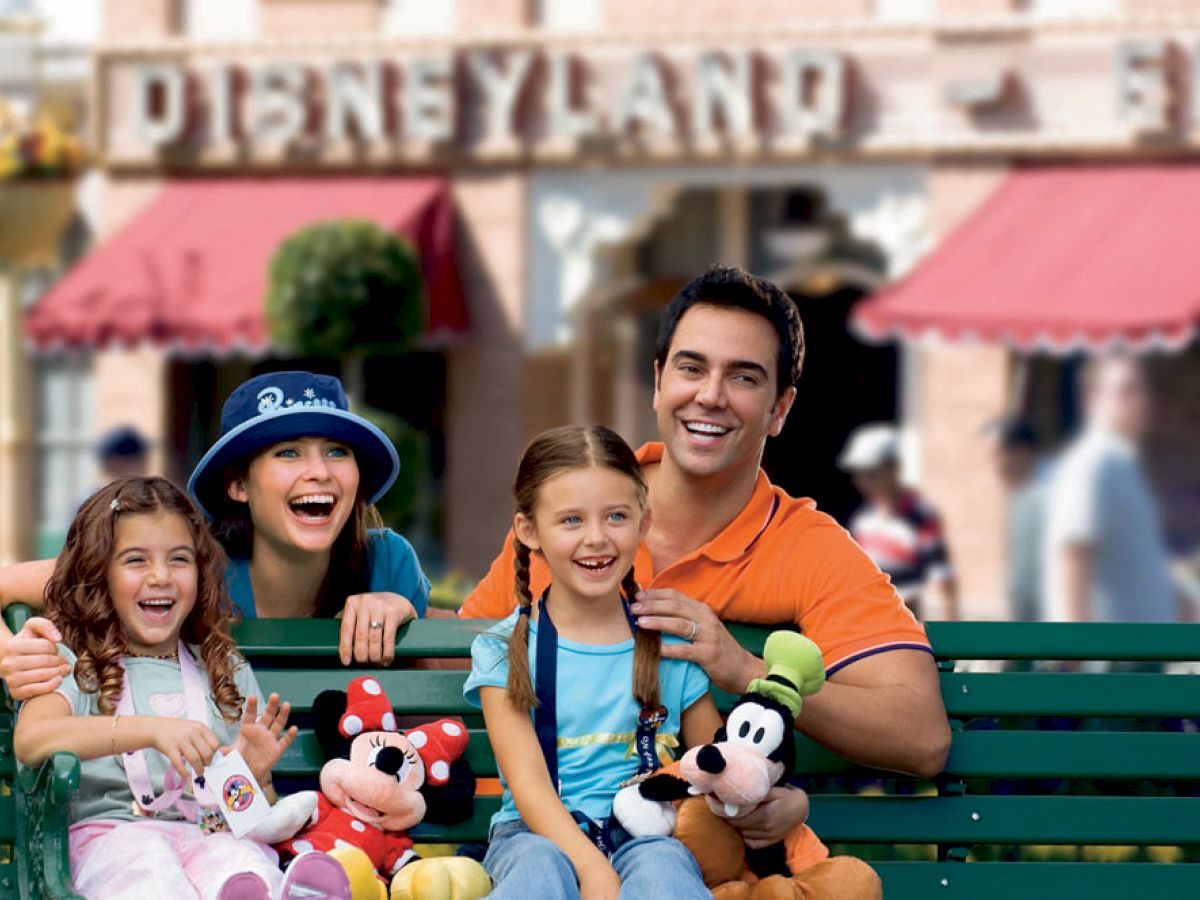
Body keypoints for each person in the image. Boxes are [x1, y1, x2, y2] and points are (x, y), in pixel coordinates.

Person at [461, 266, 950, 854]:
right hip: (536, 850)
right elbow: (460, 655)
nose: (710, 395)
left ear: (780, 408)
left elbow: (922, 736)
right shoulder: (577, 506)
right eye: (692, 368)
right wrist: (388, 603)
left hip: (682, 853)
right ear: (659, 380)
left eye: (743, 377)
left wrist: (744, 670)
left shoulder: (809, 547)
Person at [12, 475, 351, 900]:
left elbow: (240, 816)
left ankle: (275, 892)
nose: (161, 577)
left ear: (201, 569)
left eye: (179, 559)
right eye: (135, 560)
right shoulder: (72, 659)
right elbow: (32, 740)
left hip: (205, 835)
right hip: (111, 842)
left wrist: (252, 773)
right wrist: (151, 729)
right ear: (99, 571)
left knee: (239, 862)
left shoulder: (224, 669)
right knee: (146, 857)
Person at [0, 370, 432, 700]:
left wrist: (402, 608)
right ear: (238, 486)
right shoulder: (184, 565)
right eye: (289, 452)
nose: (319, 471)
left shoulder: (389, 563)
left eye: (337, 451)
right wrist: (7, 656)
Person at [464, 425, 720, 898]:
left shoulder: (671, 647)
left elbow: (715, 764)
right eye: (571, 521)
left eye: (616, 516)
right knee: (539, 868)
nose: (597, 538)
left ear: (643, 522)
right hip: (535, 834)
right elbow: (530, 787)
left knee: (664, 865)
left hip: (647, 833)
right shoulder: (504, 650)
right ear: (528, 531)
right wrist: (594, 869)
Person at [1043, 353, 1178, 623]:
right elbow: (1073, 553)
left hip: (1138, 650)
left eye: (1142, 390)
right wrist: (1075, 648)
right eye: (1126, 391)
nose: (1141, 402)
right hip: (1111, 655)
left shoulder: (1121, 462)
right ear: (1093, 401)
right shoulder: (1094, 463)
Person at [837, 423, 958, 621]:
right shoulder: (863, 519)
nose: (863, 481)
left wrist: (953, 638)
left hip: (906, 623)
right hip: (868, 622)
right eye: (859, 474)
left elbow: (944, 579)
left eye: (872, 474)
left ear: (894, 468)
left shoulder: (920, 516)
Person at [983, 416, 1045, 622]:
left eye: (995, 454)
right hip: (1025, 613)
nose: (990, 464)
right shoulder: (1019, 493)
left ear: (1022, 452)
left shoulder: (1051, 494)